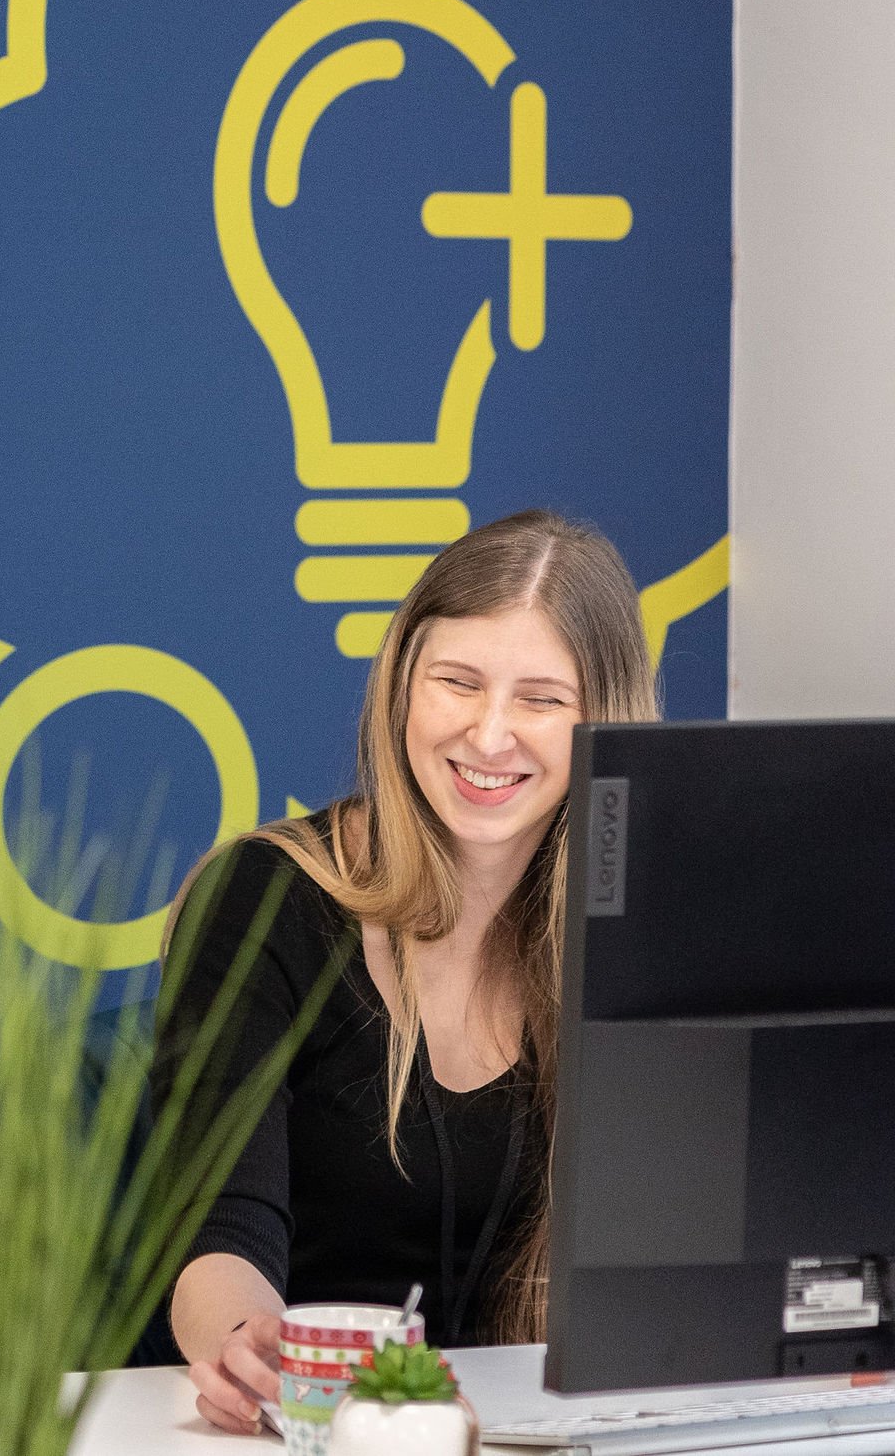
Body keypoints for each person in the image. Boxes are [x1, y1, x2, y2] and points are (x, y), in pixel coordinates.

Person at [157, 510, 656, 1424]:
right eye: (457, 682)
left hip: (519, 1427)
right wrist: (247, 1348)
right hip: (291, 1426)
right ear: (400, 690)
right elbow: (220, 1230)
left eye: (542, 700)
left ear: (604, 723)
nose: (490, 735)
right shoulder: (265, 897)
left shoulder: (633, 936)